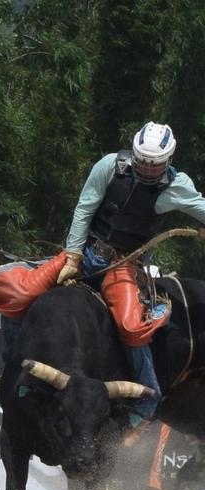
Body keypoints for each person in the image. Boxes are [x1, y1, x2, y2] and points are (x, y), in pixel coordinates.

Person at [63, 121, 205, 423]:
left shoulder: (177, 186)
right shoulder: (109, 166)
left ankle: (147, 398)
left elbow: (201, 207)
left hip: (125, 265)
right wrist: (72, 256)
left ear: (167, 162)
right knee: (16, 286)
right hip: (86, 254)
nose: (147, 169)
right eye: (142, 162)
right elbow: (84, 208)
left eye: (155, 166)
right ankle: (13, 378)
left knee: (132, 327)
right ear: (135, 154)